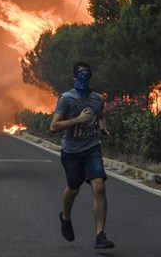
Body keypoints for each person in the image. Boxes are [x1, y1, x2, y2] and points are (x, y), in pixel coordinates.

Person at [49, 61, 115, 249]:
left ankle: (100, 235)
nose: (84, 78)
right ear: (74, 77)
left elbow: (100, 115)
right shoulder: (66, 98)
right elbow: (53, 126)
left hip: (92, 148)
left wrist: (103, 129)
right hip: (71, 151)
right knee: (73, 188)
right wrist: (78, 120)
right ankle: (65, 216)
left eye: (87, 75)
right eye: (80, 75)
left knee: (99, 187)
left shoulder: (97, 98)